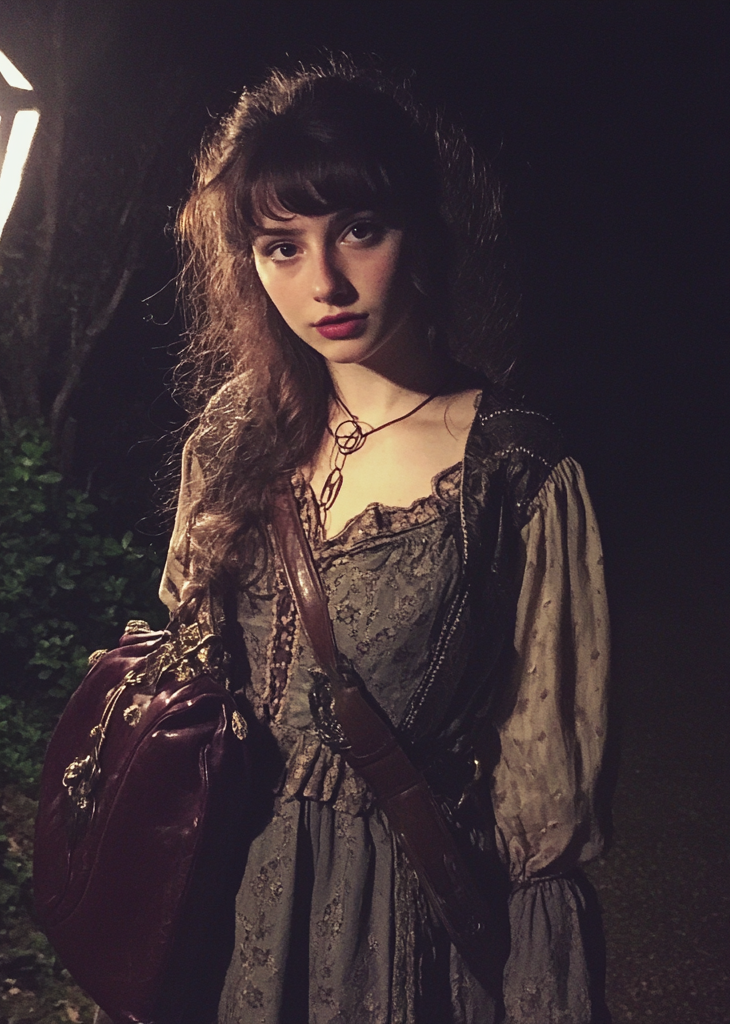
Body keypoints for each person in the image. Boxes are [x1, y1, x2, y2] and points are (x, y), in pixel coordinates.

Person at [152, 61, 609, 1024]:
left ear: (422, 230)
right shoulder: (235, 441)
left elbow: (543, 798)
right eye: (281, 247)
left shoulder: (511, 470)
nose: (323, 281)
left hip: (404, 918)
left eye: (359, 230)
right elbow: (187, 690)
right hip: (224, 902)